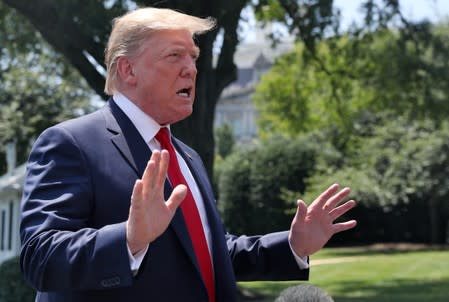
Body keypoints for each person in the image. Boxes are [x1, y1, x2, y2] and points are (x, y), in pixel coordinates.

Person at [19, 7, 357, 302]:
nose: (191, 69)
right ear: (127, 70)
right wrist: (129, 238)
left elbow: (207, 252)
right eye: (174, 56)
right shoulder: (70, 142)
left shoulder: (188, 157)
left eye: (193, 57)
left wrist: (292, 245)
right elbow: (40, 258)